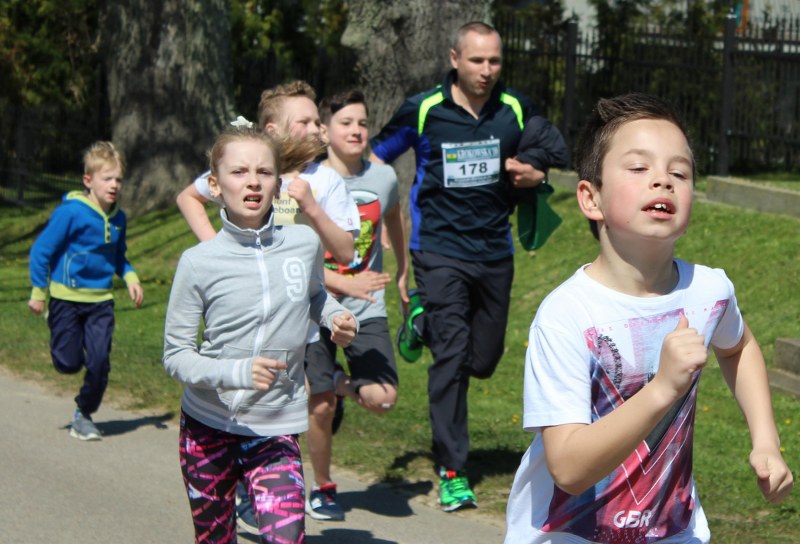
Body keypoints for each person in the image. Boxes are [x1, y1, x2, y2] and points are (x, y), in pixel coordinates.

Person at [504, 93, 794, 543]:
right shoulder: (566, 315)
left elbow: (739, 347)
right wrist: (662, 388)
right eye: (639, 168)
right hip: (567, 534)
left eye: (679, 172)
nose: (663, 180)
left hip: (673, 530)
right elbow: (569, 468)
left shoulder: (709, 292)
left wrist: (766, 441)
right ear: (591, 198)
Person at [369, 21, 542, 512]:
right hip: (438, 249)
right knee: (451, 357)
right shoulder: (424, 108)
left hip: (494, 251)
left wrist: (536, 171)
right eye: (477, 60)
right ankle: (452, 468)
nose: (486, 70)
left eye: (494, 61)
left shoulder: (515, 108)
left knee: (482, 361)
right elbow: (376, 158)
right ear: (454, 59)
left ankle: (421, 321)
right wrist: (381, 216)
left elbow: (541, 152)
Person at [175, 80, 360, 534]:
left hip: (275, 427)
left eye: (264, 172)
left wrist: (335, 316)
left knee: (287, 535)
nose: (253, 182)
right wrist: (236, 372)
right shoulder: (197, 262)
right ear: (215, 185)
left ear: (279, 183)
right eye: (239, 172)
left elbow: (314, 294)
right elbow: (176, 356)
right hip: (208, 427)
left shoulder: (302, 243)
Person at [301, 89, 409, 521]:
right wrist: (343, 282)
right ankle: (323, 487)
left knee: (383, 399)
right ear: (325, 131)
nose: (356, 131)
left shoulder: (383, 178)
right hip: (314, 307)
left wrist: (402, 270)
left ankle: (335, 382)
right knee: (321, 404)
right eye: (346, 123)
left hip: (366, 308)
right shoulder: (305, 181)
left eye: (362, 123)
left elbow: (394, 216)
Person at [28, 141, 143, 441]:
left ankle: (84, 413)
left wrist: (130, 277)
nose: (114, 185)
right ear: (88, 180)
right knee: (68, 364)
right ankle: (59, 328)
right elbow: (41, 251)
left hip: (101, 302)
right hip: (65, 298)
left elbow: (118, 257)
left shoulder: (119, 219)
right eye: (107, 178)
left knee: (99, 360)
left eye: (118, 179)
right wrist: (39, 292)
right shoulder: (71, 213)